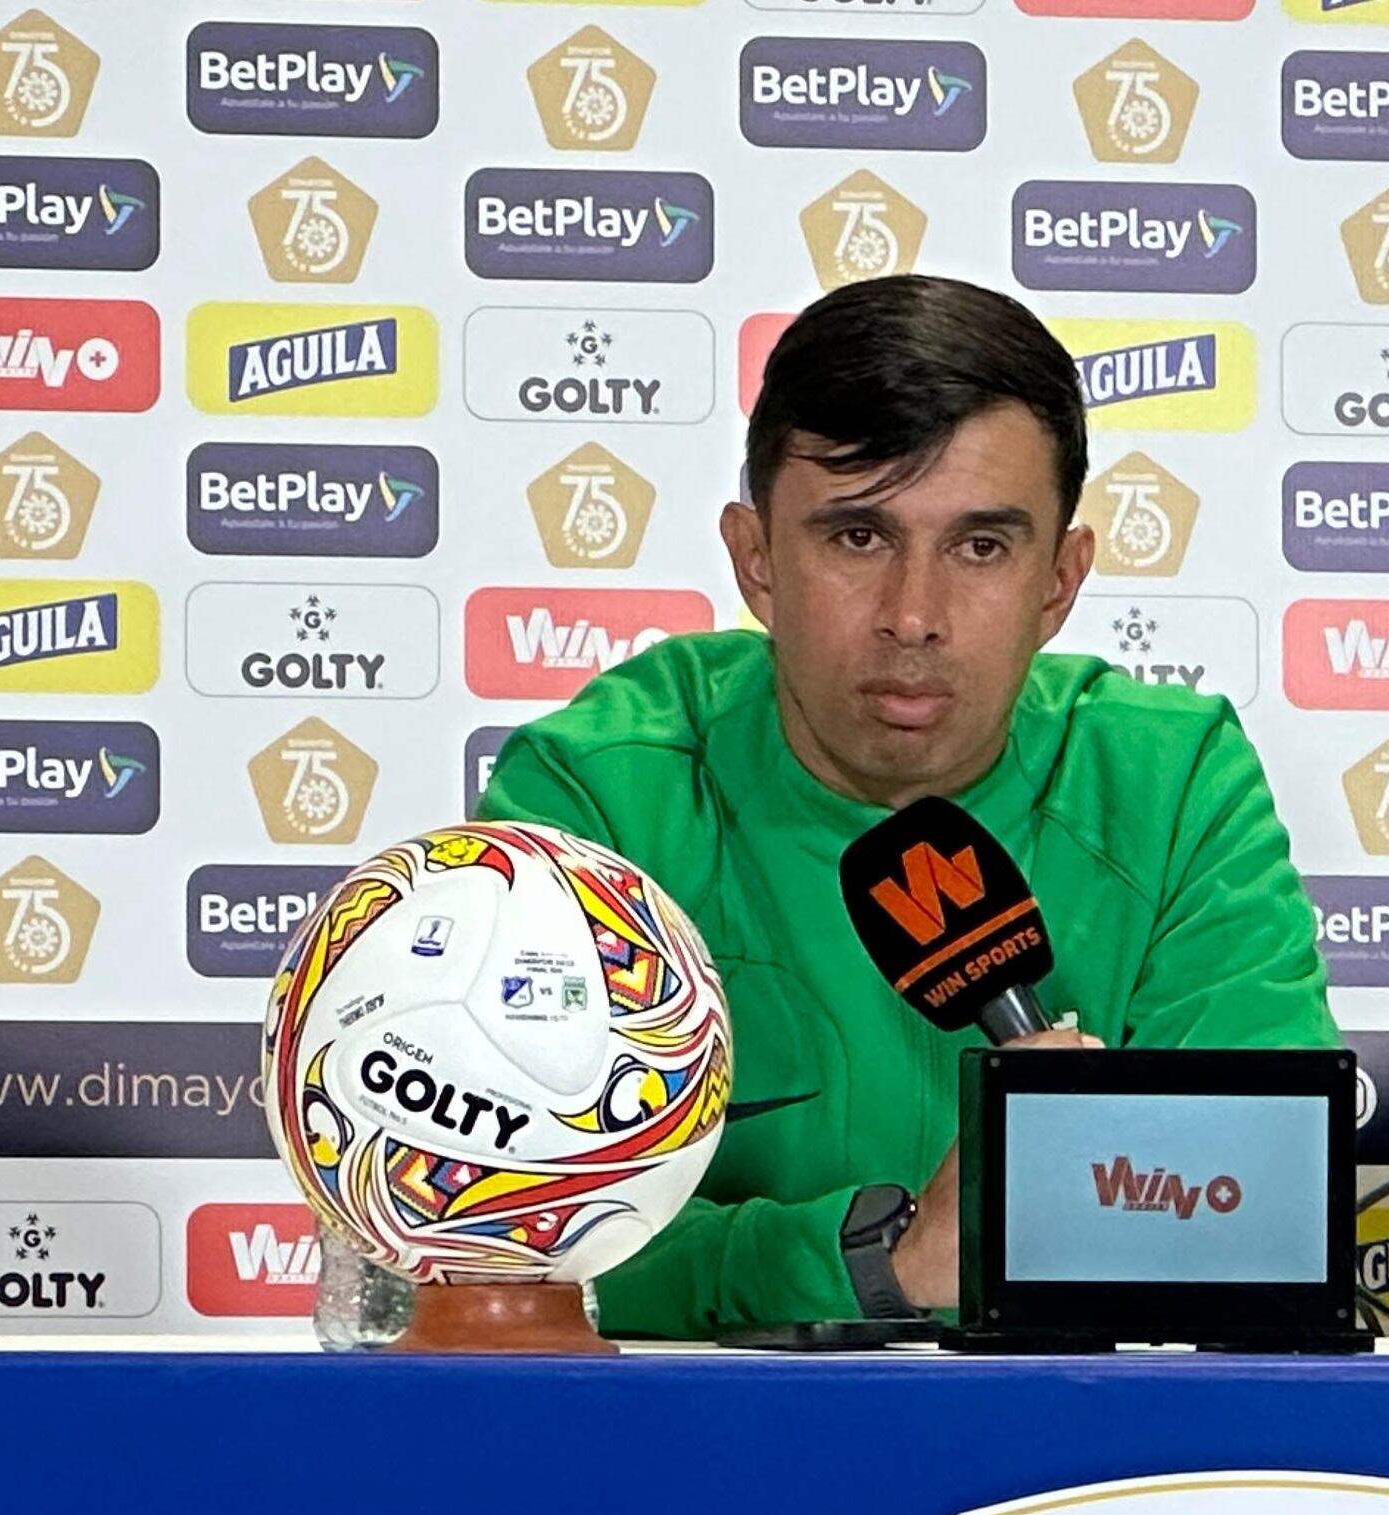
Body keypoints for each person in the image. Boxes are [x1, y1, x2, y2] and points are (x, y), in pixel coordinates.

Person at [477, 276, 1333, 1337]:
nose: (914, 615)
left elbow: (1266, 1234)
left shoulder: (1169, 786)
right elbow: (497, 1250)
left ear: (1060, 580)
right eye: (857, 538)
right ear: (757, 560)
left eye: (981, 546)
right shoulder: (599, 798)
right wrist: (881, 1257)